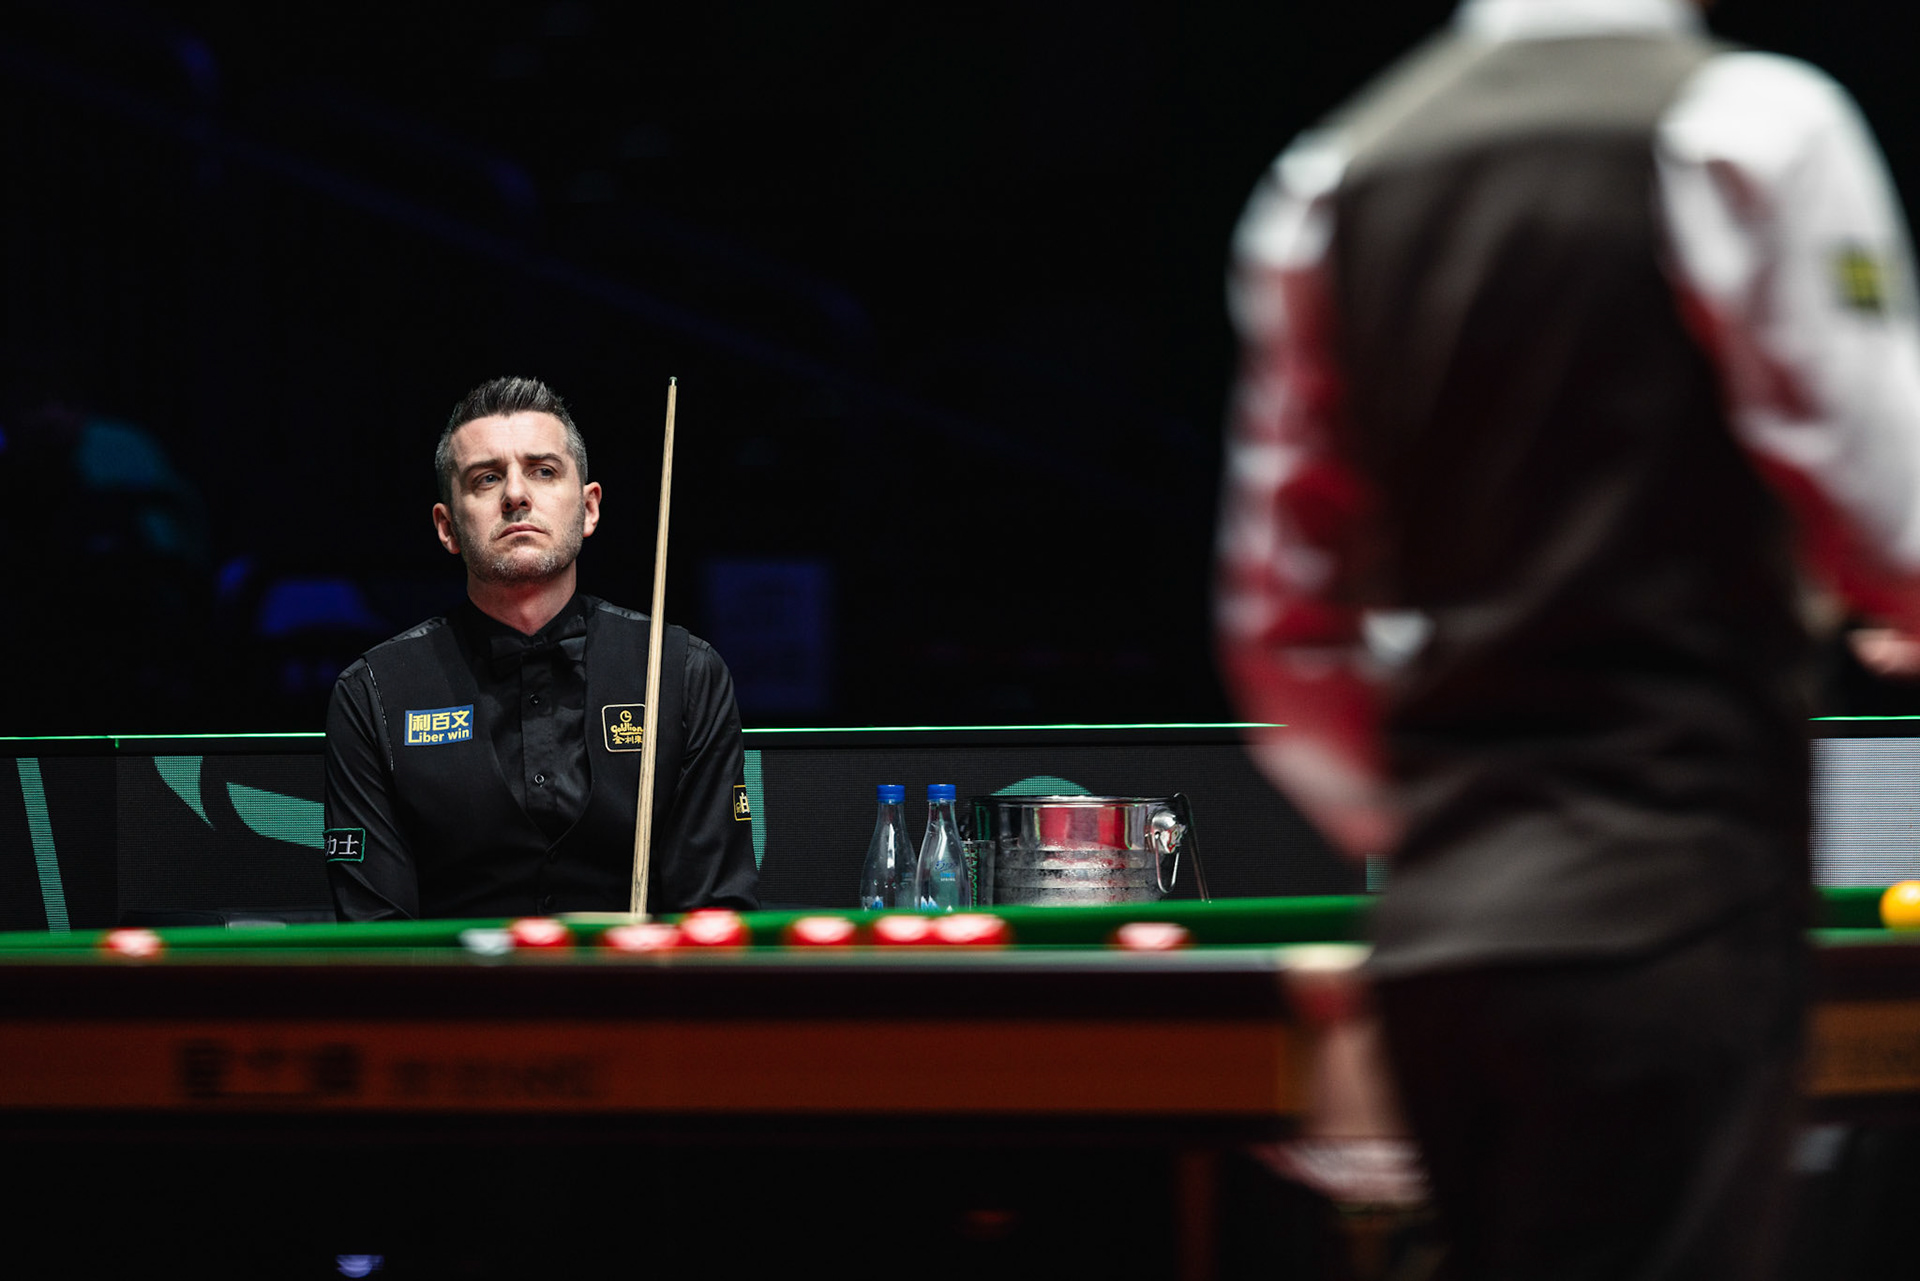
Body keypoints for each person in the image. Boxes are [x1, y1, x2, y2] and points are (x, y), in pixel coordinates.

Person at [1216, 0, 1920, 1275]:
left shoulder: (1331, 172)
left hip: (1441, 919)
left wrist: (1459, 824)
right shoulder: (1758, 123)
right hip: (1672, 894)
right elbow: (1892, 510)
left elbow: (1281, 631)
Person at [324, 376, 758, 920]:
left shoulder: (683, 673)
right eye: (485, 478)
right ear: (447, 527)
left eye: (543, 471)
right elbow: (376, 940)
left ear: (589, 507)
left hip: (637, 1000)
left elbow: (716, 919)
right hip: (453, 1003)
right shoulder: (374, 694)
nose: (515, 494)